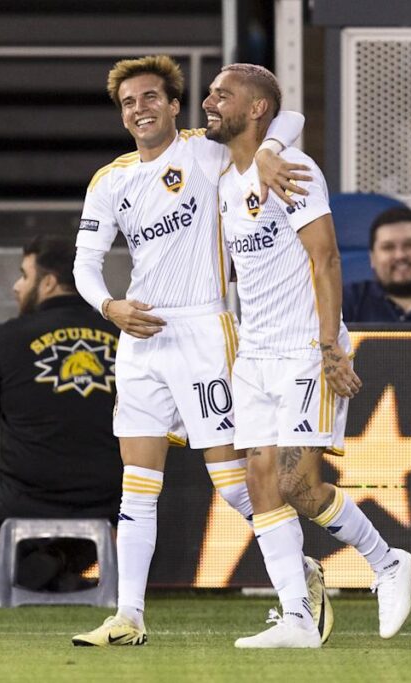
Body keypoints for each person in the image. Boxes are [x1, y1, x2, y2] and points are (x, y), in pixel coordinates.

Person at [70, 55, 330, 647]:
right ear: (122, 115)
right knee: (136, 483)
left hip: (204, 331)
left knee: (233, 483)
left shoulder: (205, 152)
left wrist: (268, 152)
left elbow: (287, 114)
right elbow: (84, 265)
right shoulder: (110, 181)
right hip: (139, 339)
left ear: (174, 104)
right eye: (129, 102)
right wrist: (110, 308)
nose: (140, 109)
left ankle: (299, 576)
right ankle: (128, 616)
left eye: (151, 98)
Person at [206, 63, 411, 647]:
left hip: (304, 348)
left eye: (221, 94)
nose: (207, 102)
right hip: (255, 352)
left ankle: (386, 561)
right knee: (260, 482)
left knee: (299, 484)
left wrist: (330, 348)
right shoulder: (226, 177)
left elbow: (325, 259)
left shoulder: (294, 170)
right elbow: (286, 116)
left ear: (254, 110)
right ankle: (297, 618)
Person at [0, 236, 124, 591]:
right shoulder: (120, 333)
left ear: (49, 282)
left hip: (22, 494)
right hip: (112, 495)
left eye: (24, 276)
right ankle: (60, 561)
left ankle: (39, 569)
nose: (16, 286)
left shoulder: (11, 336)